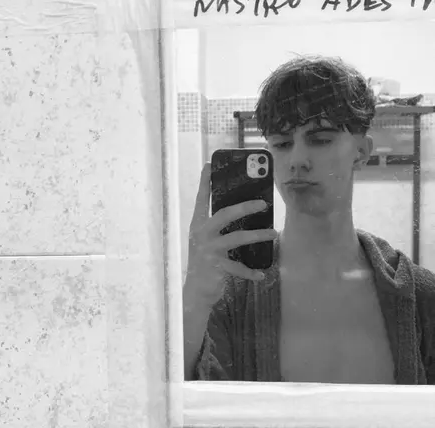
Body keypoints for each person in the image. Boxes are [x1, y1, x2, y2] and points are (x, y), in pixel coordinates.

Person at [182, 55, 435, 384]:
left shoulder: (421, 297)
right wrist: (194, 299)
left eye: (320, 139)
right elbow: (175, 400)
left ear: (361, 151)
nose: (298, 159)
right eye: (282, 143)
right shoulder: (231, 295)